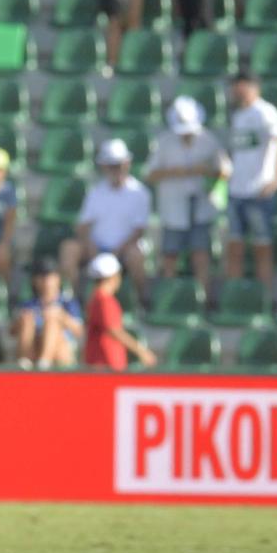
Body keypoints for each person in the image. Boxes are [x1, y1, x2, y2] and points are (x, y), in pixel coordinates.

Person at [145, 96, 228, 294]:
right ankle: (168, 297)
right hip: (173, 207)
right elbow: (150, 174)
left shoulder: (209, 140)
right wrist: (177, 172)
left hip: (201, 206)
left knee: (200, 254)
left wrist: (205, 170)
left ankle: (204, 298)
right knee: (169, 255)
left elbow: (225, 171)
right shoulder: (163, 142)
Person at [223, 73, 277, 301]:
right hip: (236, 190)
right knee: (234, 248)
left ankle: (264, 300)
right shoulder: (238, 115)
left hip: (258, 192)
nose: (236, 93)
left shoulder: (265, 112)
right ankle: (234, 299)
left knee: (262, 249)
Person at [64, 137, 151, 293]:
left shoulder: (140, 193)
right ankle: (74, 299)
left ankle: (142, 300)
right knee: (69, 249)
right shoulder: (96, 192)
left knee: (136, 256)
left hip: (125, 250)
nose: (116, 169)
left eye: (118, 165)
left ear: (127, 164)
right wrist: (91, 247)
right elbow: (82, 226)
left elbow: (138, 231)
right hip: (96, 248)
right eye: (112, 165)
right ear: (104, 167)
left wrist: (116, 253)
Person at [82, 251, 154, 370]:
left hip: (102, 363)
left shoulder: (95, 298)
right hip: (105, 364)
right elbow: (114, 331)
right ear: (114, 276)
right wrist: (141, 351)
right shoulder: (103, 300)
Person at [10, 258, 82, 368]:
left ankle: (44, 364)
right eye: (40, 276)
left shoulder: (68, 303)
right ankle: (24, 362)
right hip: (33, 349)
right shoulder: (28, 304)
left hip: (60, 351)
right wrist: (22, 320)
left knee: (51, 323)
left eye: (48, 275)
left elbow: (80, 332)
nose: (44, 280)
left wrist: (60, 316)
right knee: (27, 321)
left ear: (57, 278)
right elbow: (11, 331)